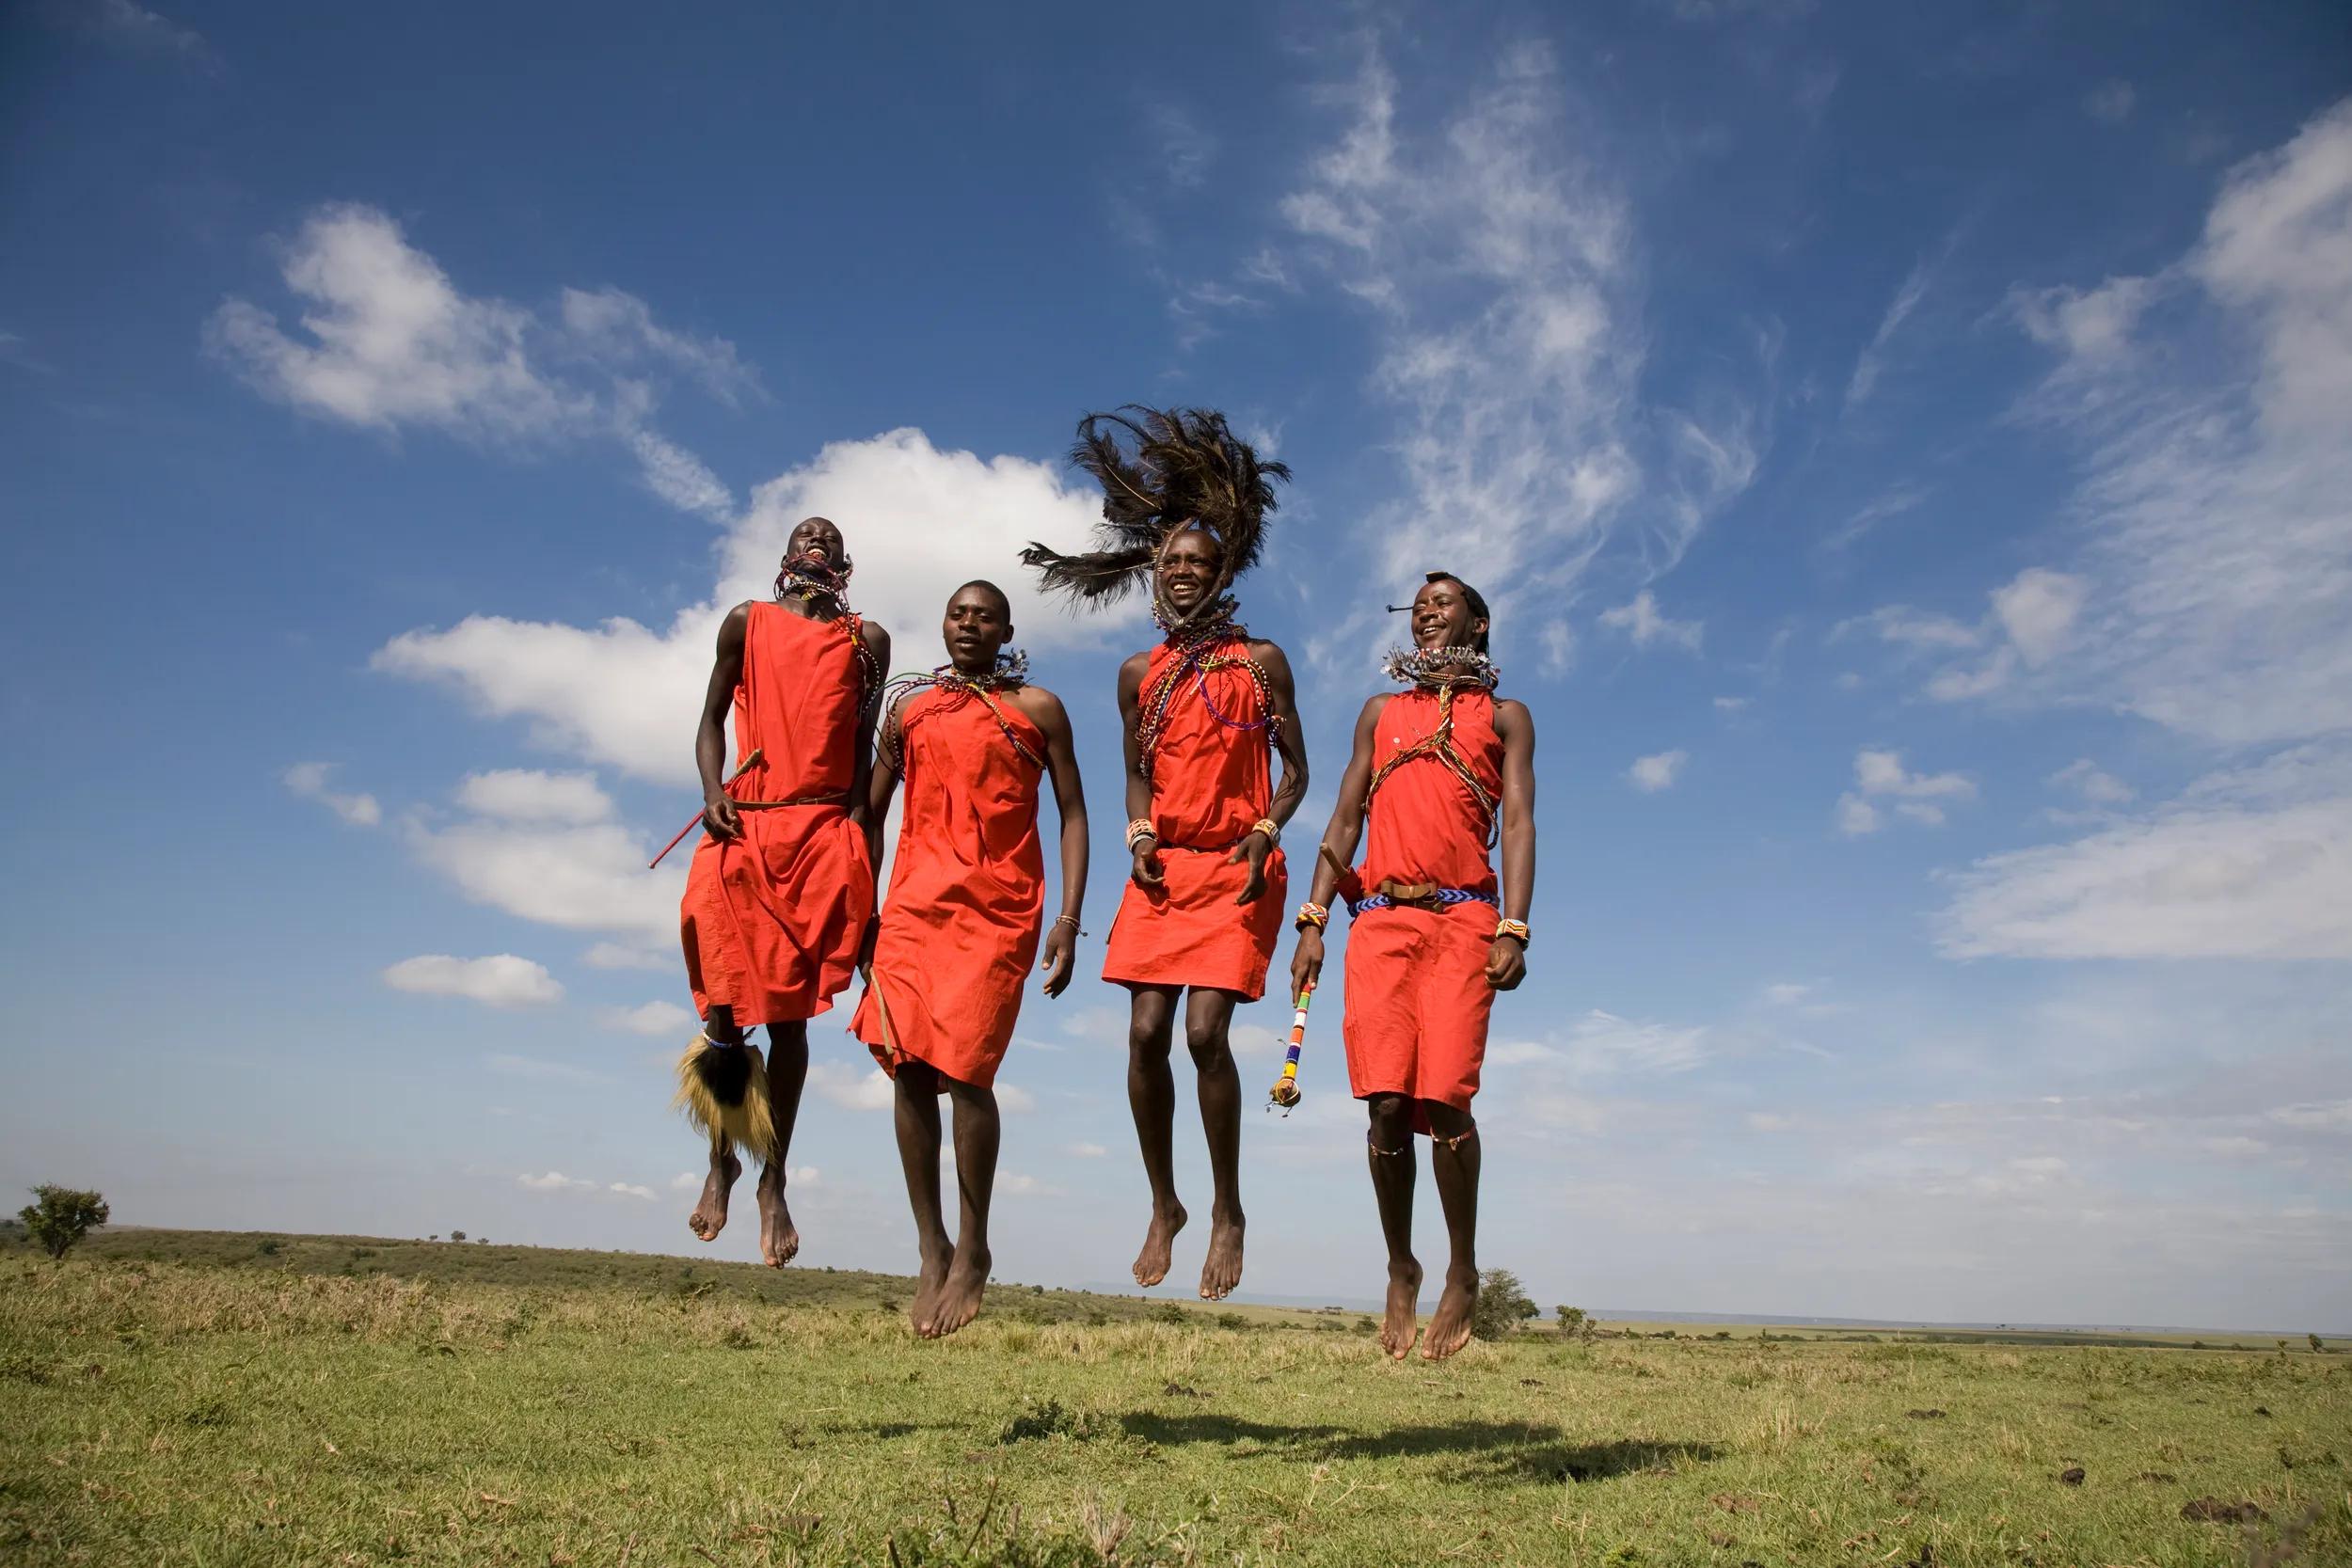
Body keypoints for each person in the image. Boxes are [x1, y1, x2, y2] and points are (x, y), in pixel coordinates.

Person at [1022, 405, 1307, 1301]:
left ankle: (1228, 1207)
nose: (1183, 573)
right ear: (1157, 570)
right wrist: (1139, 835)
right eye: (1172, 561)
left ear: (1224, 571)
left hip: (1236, 866)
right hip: (1164, 869)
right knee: (1145, 1032)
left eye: (1199, 562)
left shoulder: (1261, 661)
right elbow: (1135, 777)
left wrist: (1265, 832)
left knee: (1202, 1031)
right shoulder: (1135, 675)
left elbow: (1297, 772)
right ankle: (1165, 1202)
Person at [1286, 572, 1535, 1361]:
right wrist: (1314, 920)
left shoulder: (1504, 716)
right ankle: (1402, 1264)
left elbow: (1522, 820)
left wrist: (1515, 927)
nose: (1427, 612)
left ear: (1480, 623)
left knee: (1447, 1097)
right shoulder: (1379, 713)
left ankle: (1462, 1270)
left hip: (1465, 918)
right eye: (1419, 605)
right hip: (1381, 919)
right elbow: (1345, 815)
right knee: (1386, 1102)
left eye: (1445, 602)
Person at [850, 581, 1089, 1338]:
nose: (969, 624)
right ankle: (932, 1247)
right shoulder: (911, 708)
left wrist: (1069, 920)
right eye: (958, 612)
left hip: (997, 911)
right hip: (915, 908)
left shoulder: (1038, 709)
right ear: (944, 623)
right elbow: (871, 812)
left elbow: (1074, 812)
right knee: (907, 1066)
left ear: (1007, 629)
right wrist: (861, 907)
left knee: (966, 1070)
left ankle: (975, 1246)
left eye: (984, 615)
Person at [675, 516, 889, 1268]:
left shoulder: (868, 642)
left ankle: (773, 1178)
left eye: (831, 536)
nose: (820, 538)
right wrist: (711, 789)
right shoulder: (747, 621)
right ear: (786, 557)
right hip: (744, 828)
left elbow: (863, 760)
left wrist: (863, 859)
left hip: (821, 836)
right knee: (727, 1012)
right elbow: (707, 720)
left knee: (794, 1025)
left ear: (845, 560)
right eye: (806, 534)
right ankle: (720, 1159)